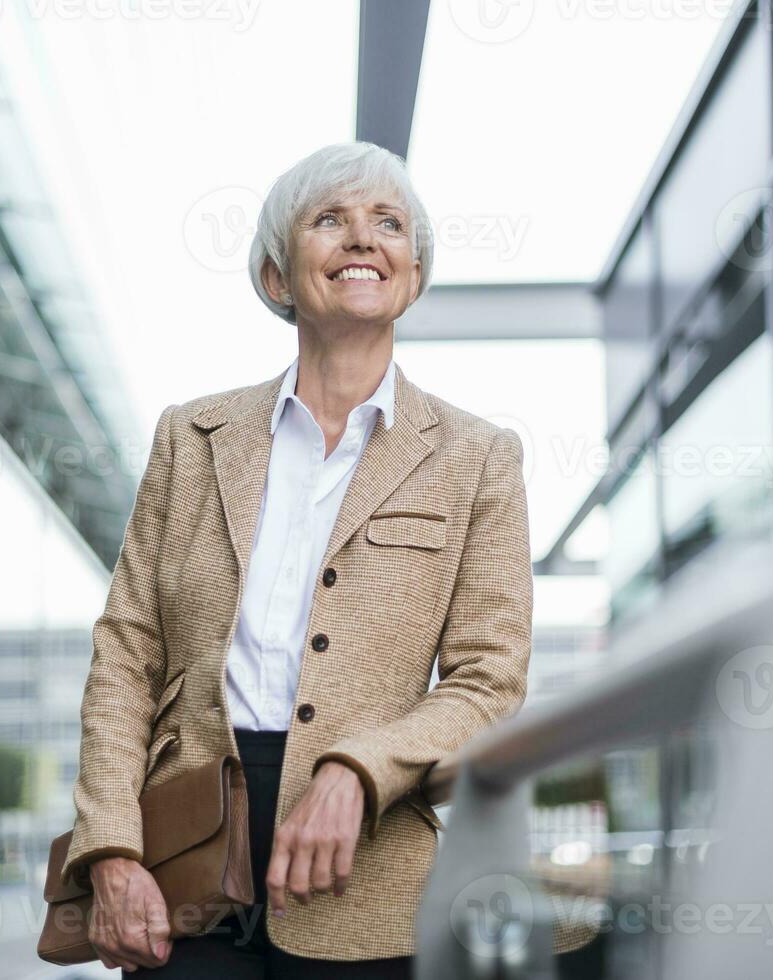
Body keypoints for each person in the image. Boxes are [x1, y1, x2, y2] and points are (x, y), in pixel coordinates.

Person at [59, 141, 533, 976]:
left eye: (388, 223)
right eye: (329, 221)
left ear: (412, 275)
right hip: (187, 856)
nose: (362, 238)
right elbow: (126, 654)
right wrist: (110, 847)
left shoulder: (478, 456)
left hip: (371, 867)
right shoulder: (192, 437)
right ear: (279, 277)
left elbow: (488, 679)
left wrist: (361, 770)